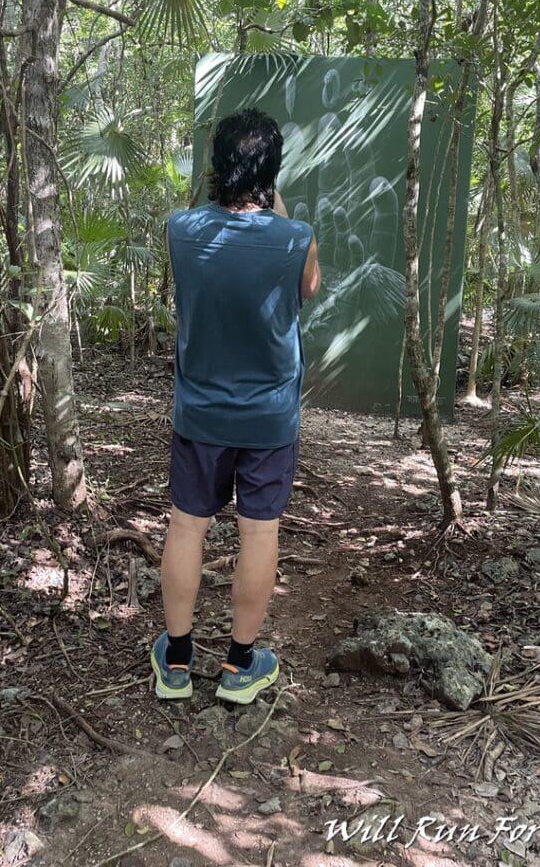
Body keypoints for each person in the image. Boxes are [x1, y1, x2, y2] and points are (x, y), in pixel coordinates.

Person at [150, 107, 321, 705]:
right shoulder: (295, 237)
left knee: (187, 526)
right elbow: (309, 288)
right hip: (269, 417)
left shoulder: (182, 230)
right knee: (259, 532)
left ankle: (175, 660)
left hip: (200, 412)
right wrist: (276, 201)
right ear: (273, 171)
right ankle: (240, 666)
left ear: (216, 165)